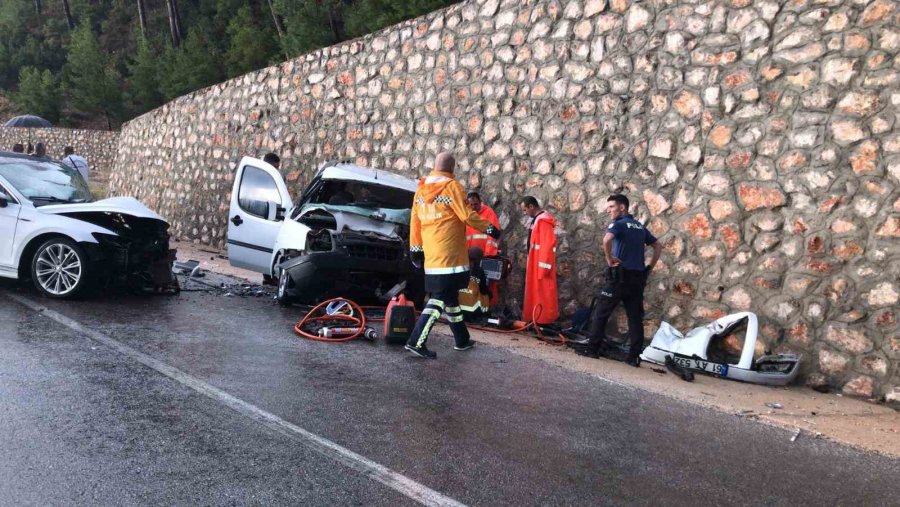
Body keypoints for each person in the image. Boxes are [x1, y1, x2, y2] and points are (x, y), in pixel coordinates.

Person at [406, 152, 501, 359]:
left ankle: (462, 339)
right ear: (452, 169)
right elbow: (467, 215)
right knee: (440, 297)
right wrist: (491, 229)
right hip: (451, 256)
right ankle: (416, 341)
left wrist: (415, 249)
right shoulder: (452, 188)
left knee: (450, 297)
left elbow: (415, 223)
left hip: (432, 255)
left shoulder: (420, 191)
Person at [576, 194, 662, 367]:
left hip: (620, 277)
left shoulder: (619, 224)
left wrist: (609, 258)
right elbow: (658, 246)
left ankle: (593, 349)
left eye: (611, 207)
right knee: (635, 318)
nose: (608, 211)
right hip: (637, 279)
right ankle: (634, 357)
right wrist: (650, 267)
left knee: (601, 312)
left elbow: (606, 239)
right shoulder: (639, 226)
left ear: (622, 208)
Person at [521, 196, 558, 324]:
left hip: (540, 265)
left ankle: (543, 320)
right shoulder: (539, 220)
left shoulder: (543, 221)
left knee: (542, 294)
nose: (525, 213)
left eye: (525, 210)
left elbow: (548, 245)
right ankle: (536, 319)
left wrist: (544, 268)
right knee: (537, 293)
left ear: (531, 206)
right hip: (536, 263)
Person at [458, 247, 491, 321]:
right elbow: (483, 290)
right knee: (486, 295)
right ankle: (483, 314)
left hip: (455, 310)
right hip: (471, 313)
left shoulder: (459, 267)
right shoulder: (479, 270)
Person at [465, 192, 500, 257]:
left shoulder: (488, 213)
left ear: (480, 202)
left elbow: (492, 236)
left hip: (485, 255)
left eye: (476, 204)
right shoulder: (466, 215)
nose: (473, 207)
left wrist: (488, 254)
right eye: (471, 205)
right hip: (469, 256)